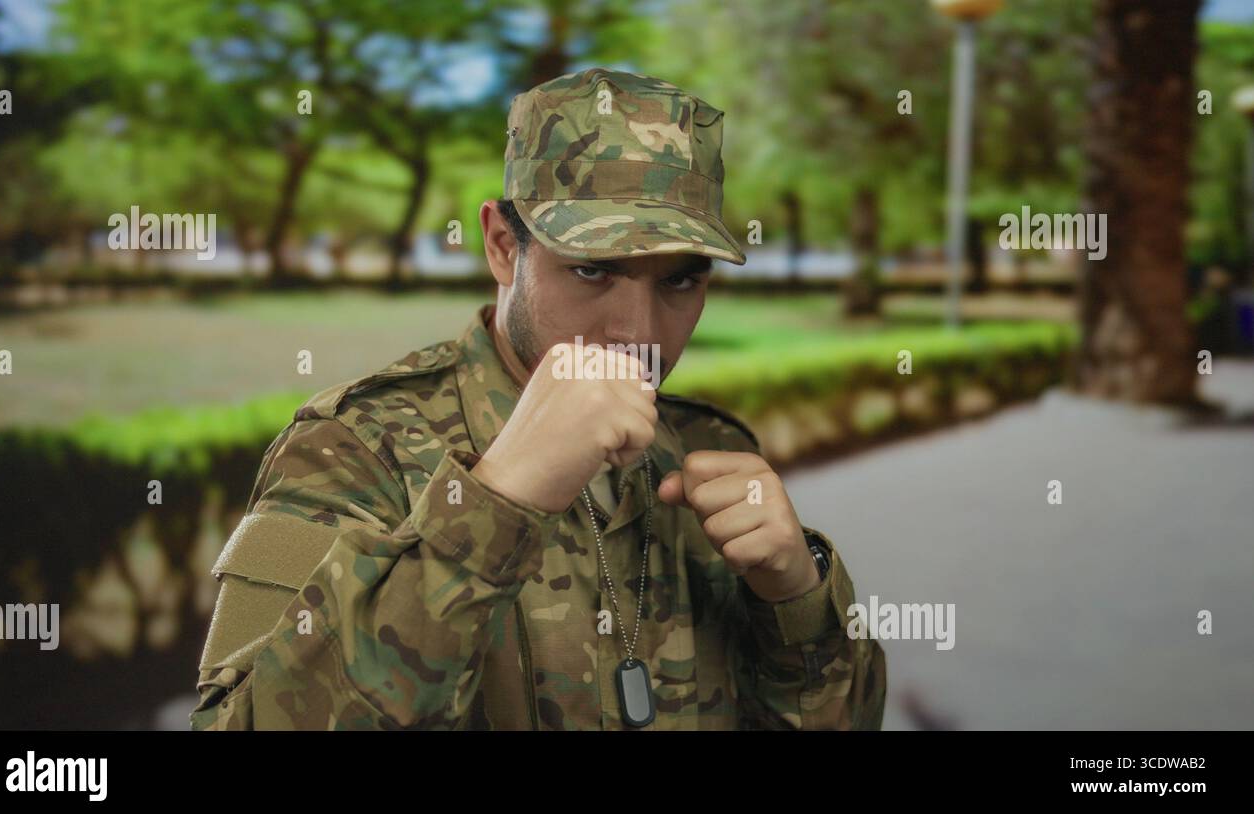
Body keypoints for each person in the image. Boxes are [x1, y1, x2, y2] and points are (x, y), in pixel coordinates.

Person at [190, 67, 885, 730]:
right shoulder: (352, 448)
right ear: (500, 246)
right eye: (592, 269)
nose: (637, 334)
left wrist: (797, 599)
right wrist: (494, 501)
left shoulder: (712, 449)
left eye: (679, 281)